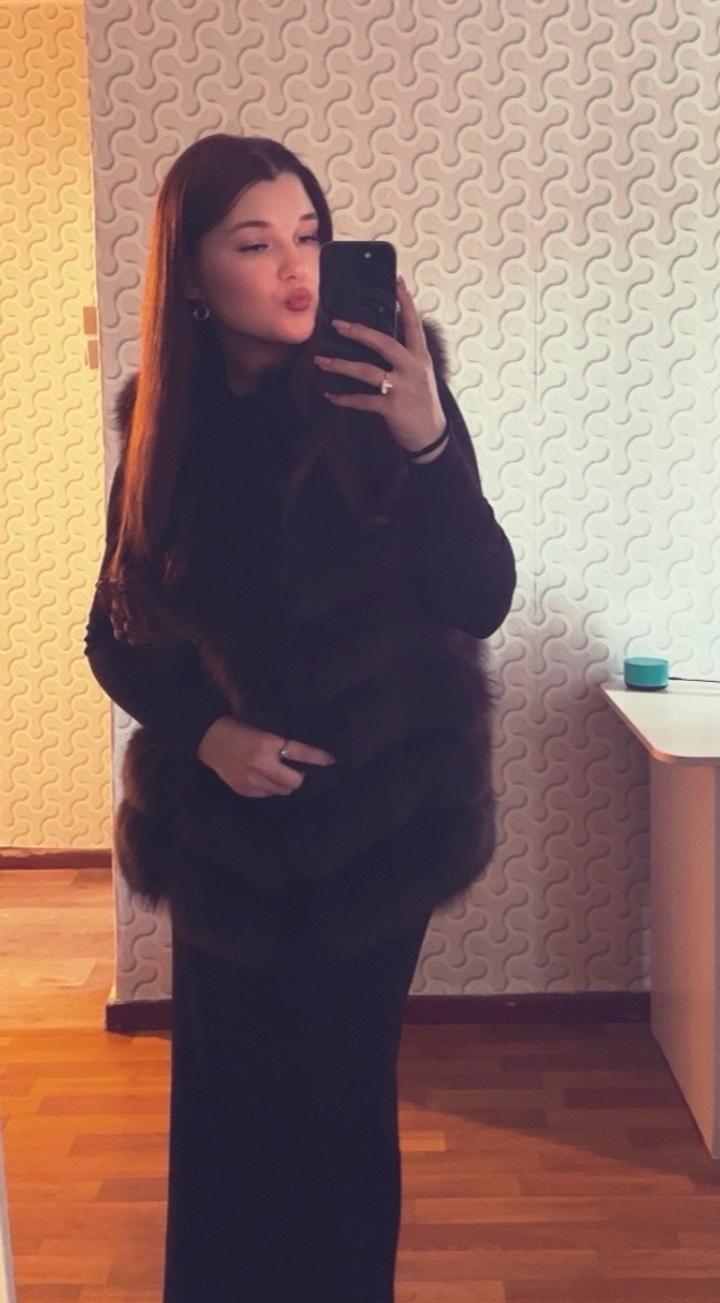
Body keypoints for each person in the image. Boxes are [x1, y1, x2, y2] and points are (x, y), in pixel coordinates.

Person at [84, 132, 516, 1303]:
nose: (297, 269)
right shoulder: (167, 428)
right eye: (255, 243)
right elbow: (113, 636)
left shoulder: (394, 392)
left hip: (379, 832)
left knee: (336, 1123)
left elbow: (481, 594)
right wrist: (209, 734)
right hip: (225, 842)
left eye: (311, 236)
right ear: (191, 275)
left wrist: (429, 437)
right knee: (225, 1126)